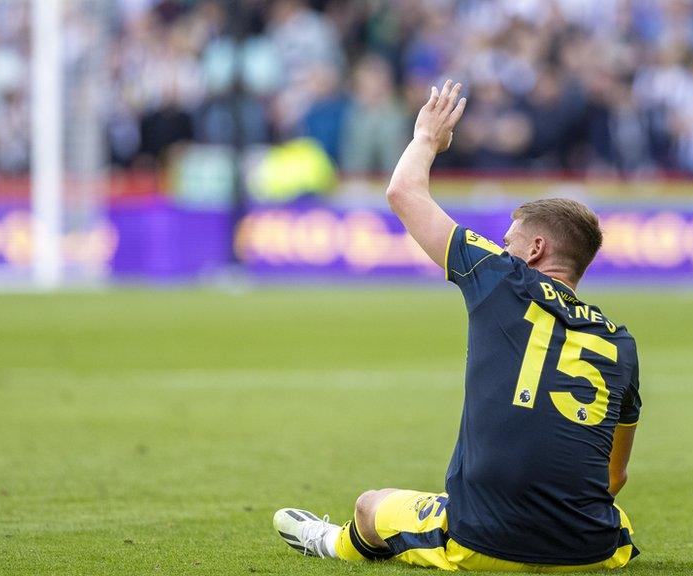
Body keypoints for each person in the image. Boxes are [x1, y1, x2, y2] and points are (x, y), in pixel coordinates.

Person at [274, 80, 643, 572]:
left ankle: (331, 542)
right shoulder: (621, 343)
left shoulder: (503, 277)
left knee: (370, 504)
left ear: (534, 251)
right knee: (611, 516)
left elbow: (402, 191)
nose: (502, 246)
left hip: (486, 541)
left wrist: (427, 137)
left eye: (509, 240)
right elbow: (614, 477)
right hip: (595, 550)